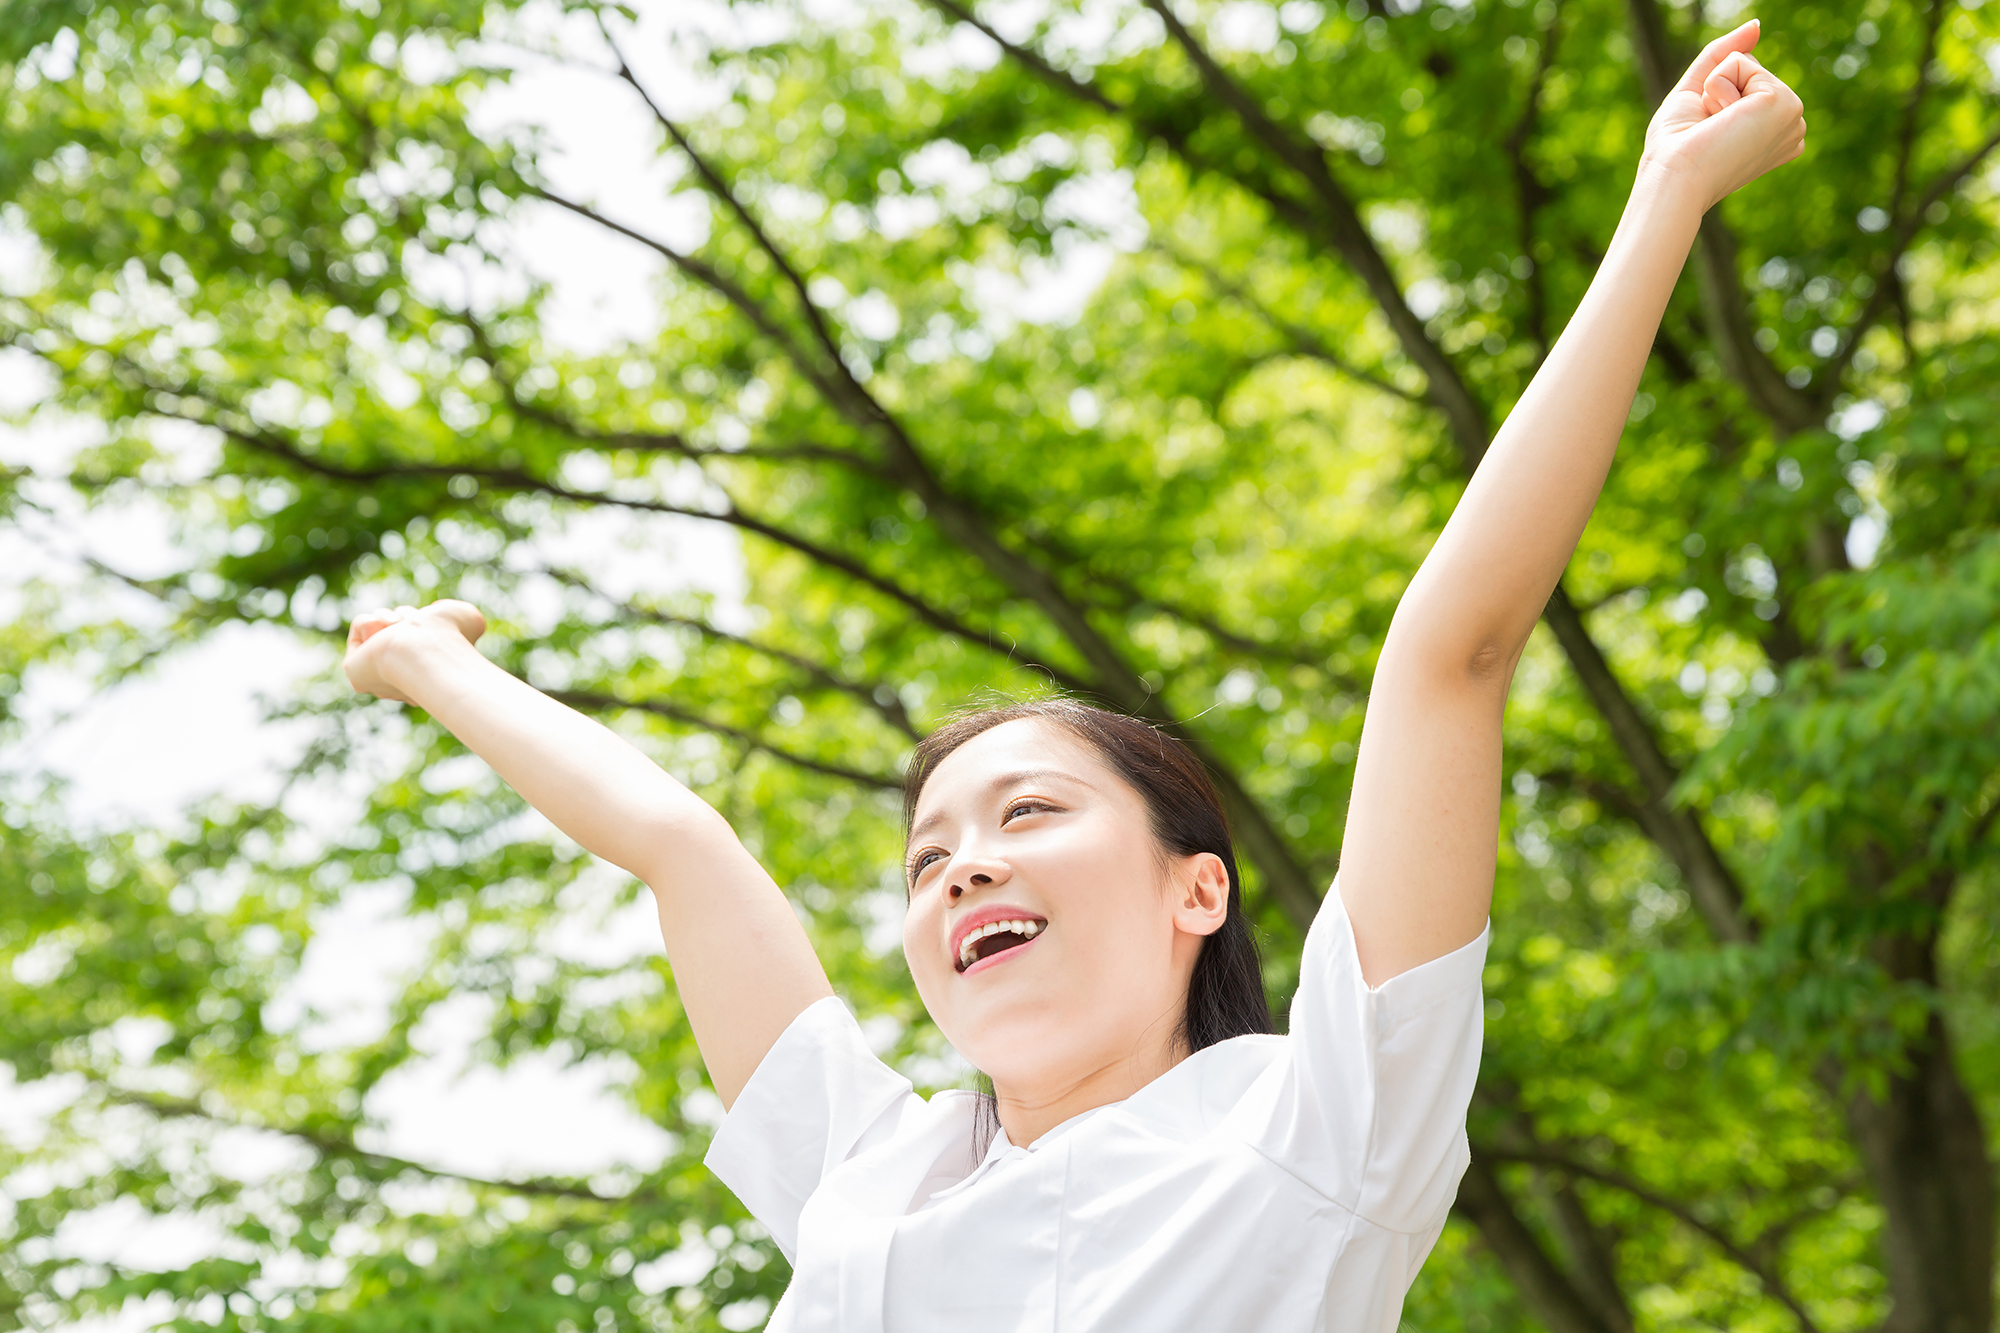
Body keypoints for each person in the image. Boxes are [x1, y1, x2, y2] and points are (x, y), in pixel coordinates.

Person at [342, 22, 1805, 1331]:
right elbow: (680, 849)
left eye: (1029, 812)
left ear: (1199, 887)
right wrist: (429, 666)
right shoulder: (867, 1184)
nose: (963, 869)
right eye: (930, 856)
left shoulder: (1318, 1133)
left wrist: (1663, 204)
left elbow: (1453, 650)